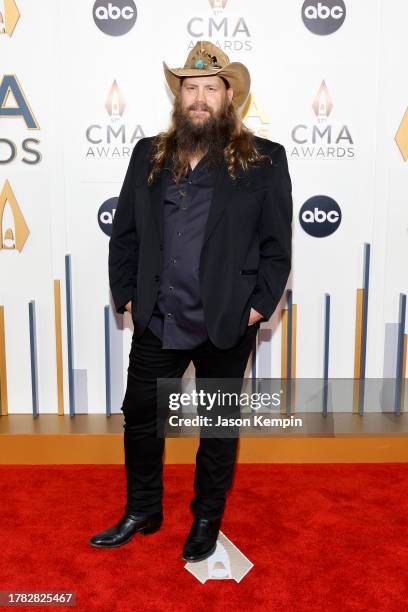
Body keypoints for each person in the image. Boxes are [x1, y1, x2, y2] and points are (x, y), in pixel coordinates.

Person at [89, 41, 293, 562]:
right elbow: (126, 234)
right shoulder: (148, 154)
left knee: (218, 428)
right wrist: (130, 298)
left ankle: (205, 518)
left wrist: (258, 306)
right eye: (190, 89)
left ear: (230, 99)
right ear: (179, 99)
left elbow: (277, 247)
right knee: (140, 415)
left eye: (210, 89)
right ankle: (143, 509)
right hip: (159, 316)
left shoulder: (265, 160)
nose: (199, 99)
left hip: (228, 319)